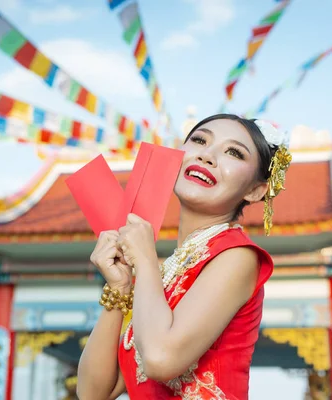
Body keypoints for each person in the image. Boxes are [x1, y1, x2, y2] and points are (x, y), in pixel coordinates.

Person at [77, 114, 292, 399]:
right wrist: (119, 288)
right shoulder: (166, 273)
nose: (207, 156)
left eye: (234, 152)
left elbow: (160, 359)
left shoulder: (237, 256)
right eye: (200, 140)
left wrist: (144, 261)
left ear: (255, 190)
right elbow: (94, 393)